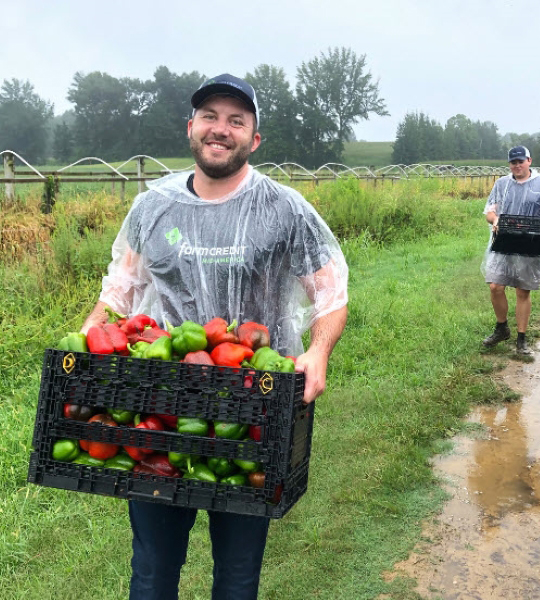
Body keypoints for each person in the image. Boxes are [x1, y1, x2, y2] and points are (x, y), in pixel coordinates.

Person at [80, 73, 348, 600]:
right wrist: (93, 326)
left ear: (254, 139)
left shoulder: (285, 208)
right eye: (210, 117)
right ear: (191, 128)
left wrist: (317, 352)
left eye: (236, 120)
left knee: (238, 573)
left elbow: (331, 291)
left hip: (254, 408)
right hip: (161, 402)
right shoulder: (152, 207)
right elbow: (122, 290)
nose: (220, 129)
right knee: (153, 570)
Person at [482, 145, 540, 355]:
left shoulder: (539, 184)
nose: (517, 165)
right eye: (513, 162)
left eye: (520, 161)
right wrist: (496, 219)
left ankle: (522, 339)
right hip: (503, 241)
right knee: (495, 286)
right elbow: (489, 210)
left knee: (522, 290)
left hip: (530, 242)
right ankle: (502, 328)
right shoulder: (502, 184)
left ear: (529, 161)